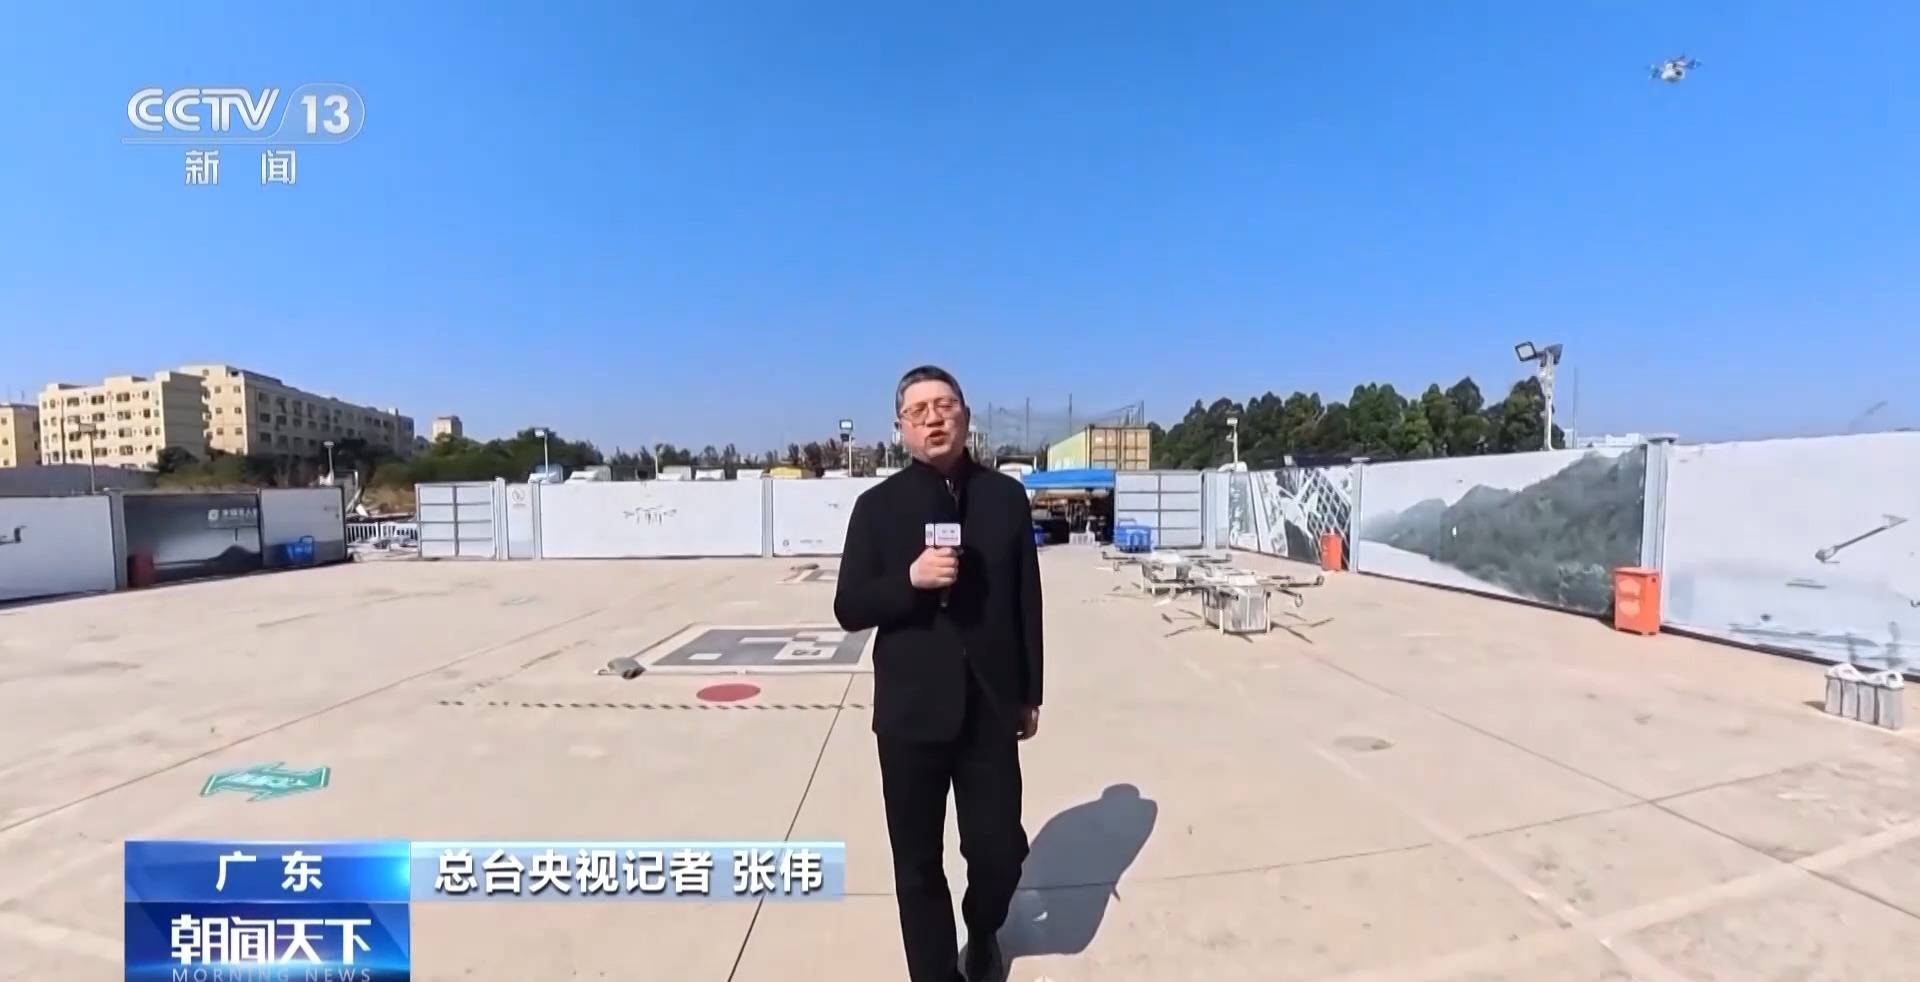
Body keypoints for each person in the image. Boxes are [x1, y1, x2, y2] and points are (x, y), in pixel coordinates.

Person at [833, 364, 1044, 982]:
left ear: (965, 416)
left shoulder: (1004, 498)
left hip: (989, 706)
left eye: (944, 405)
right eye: (918, 410)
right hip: (910, 713)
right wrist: (910, 579)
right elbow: (850, 606)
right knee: (917, 863)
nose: (933, 418)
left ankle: (983, 928)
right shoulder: (876, 508)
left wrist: (1029, 691)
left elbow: (1026, 600)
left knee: (999, 850)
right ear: (901, 427)